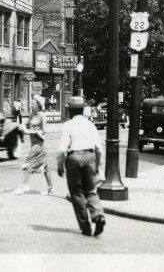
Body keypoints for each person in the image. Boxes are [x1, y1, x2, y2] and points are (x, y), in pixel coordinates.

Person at [57, 96, 106, 236]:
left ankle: (85, 226)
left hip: (74, 158)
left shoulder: (67, 125)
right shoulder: (90, 125)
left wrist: (60, 166)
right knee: (91, 190)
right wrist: (98, 166)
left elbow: (62, 149)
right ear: (83, 109)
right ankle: (98, 215)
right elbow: (99, 148)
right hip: (90, 157)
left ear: (70, 111)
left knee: (77, 193)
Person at [12, 99, 54, 195]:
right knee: (45, 167)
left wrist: (30, 131)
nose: (31, 105)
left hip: (39, 145)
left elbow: (44, 132)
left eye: (33, 103)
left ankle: (23, 187)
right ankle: (50, 187)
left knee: (28, 163)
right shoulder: (32, 115)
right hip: (33, 144)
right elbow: (27, 126)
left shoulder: (42, 116)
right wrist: (22, 127)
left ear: (39, 105)